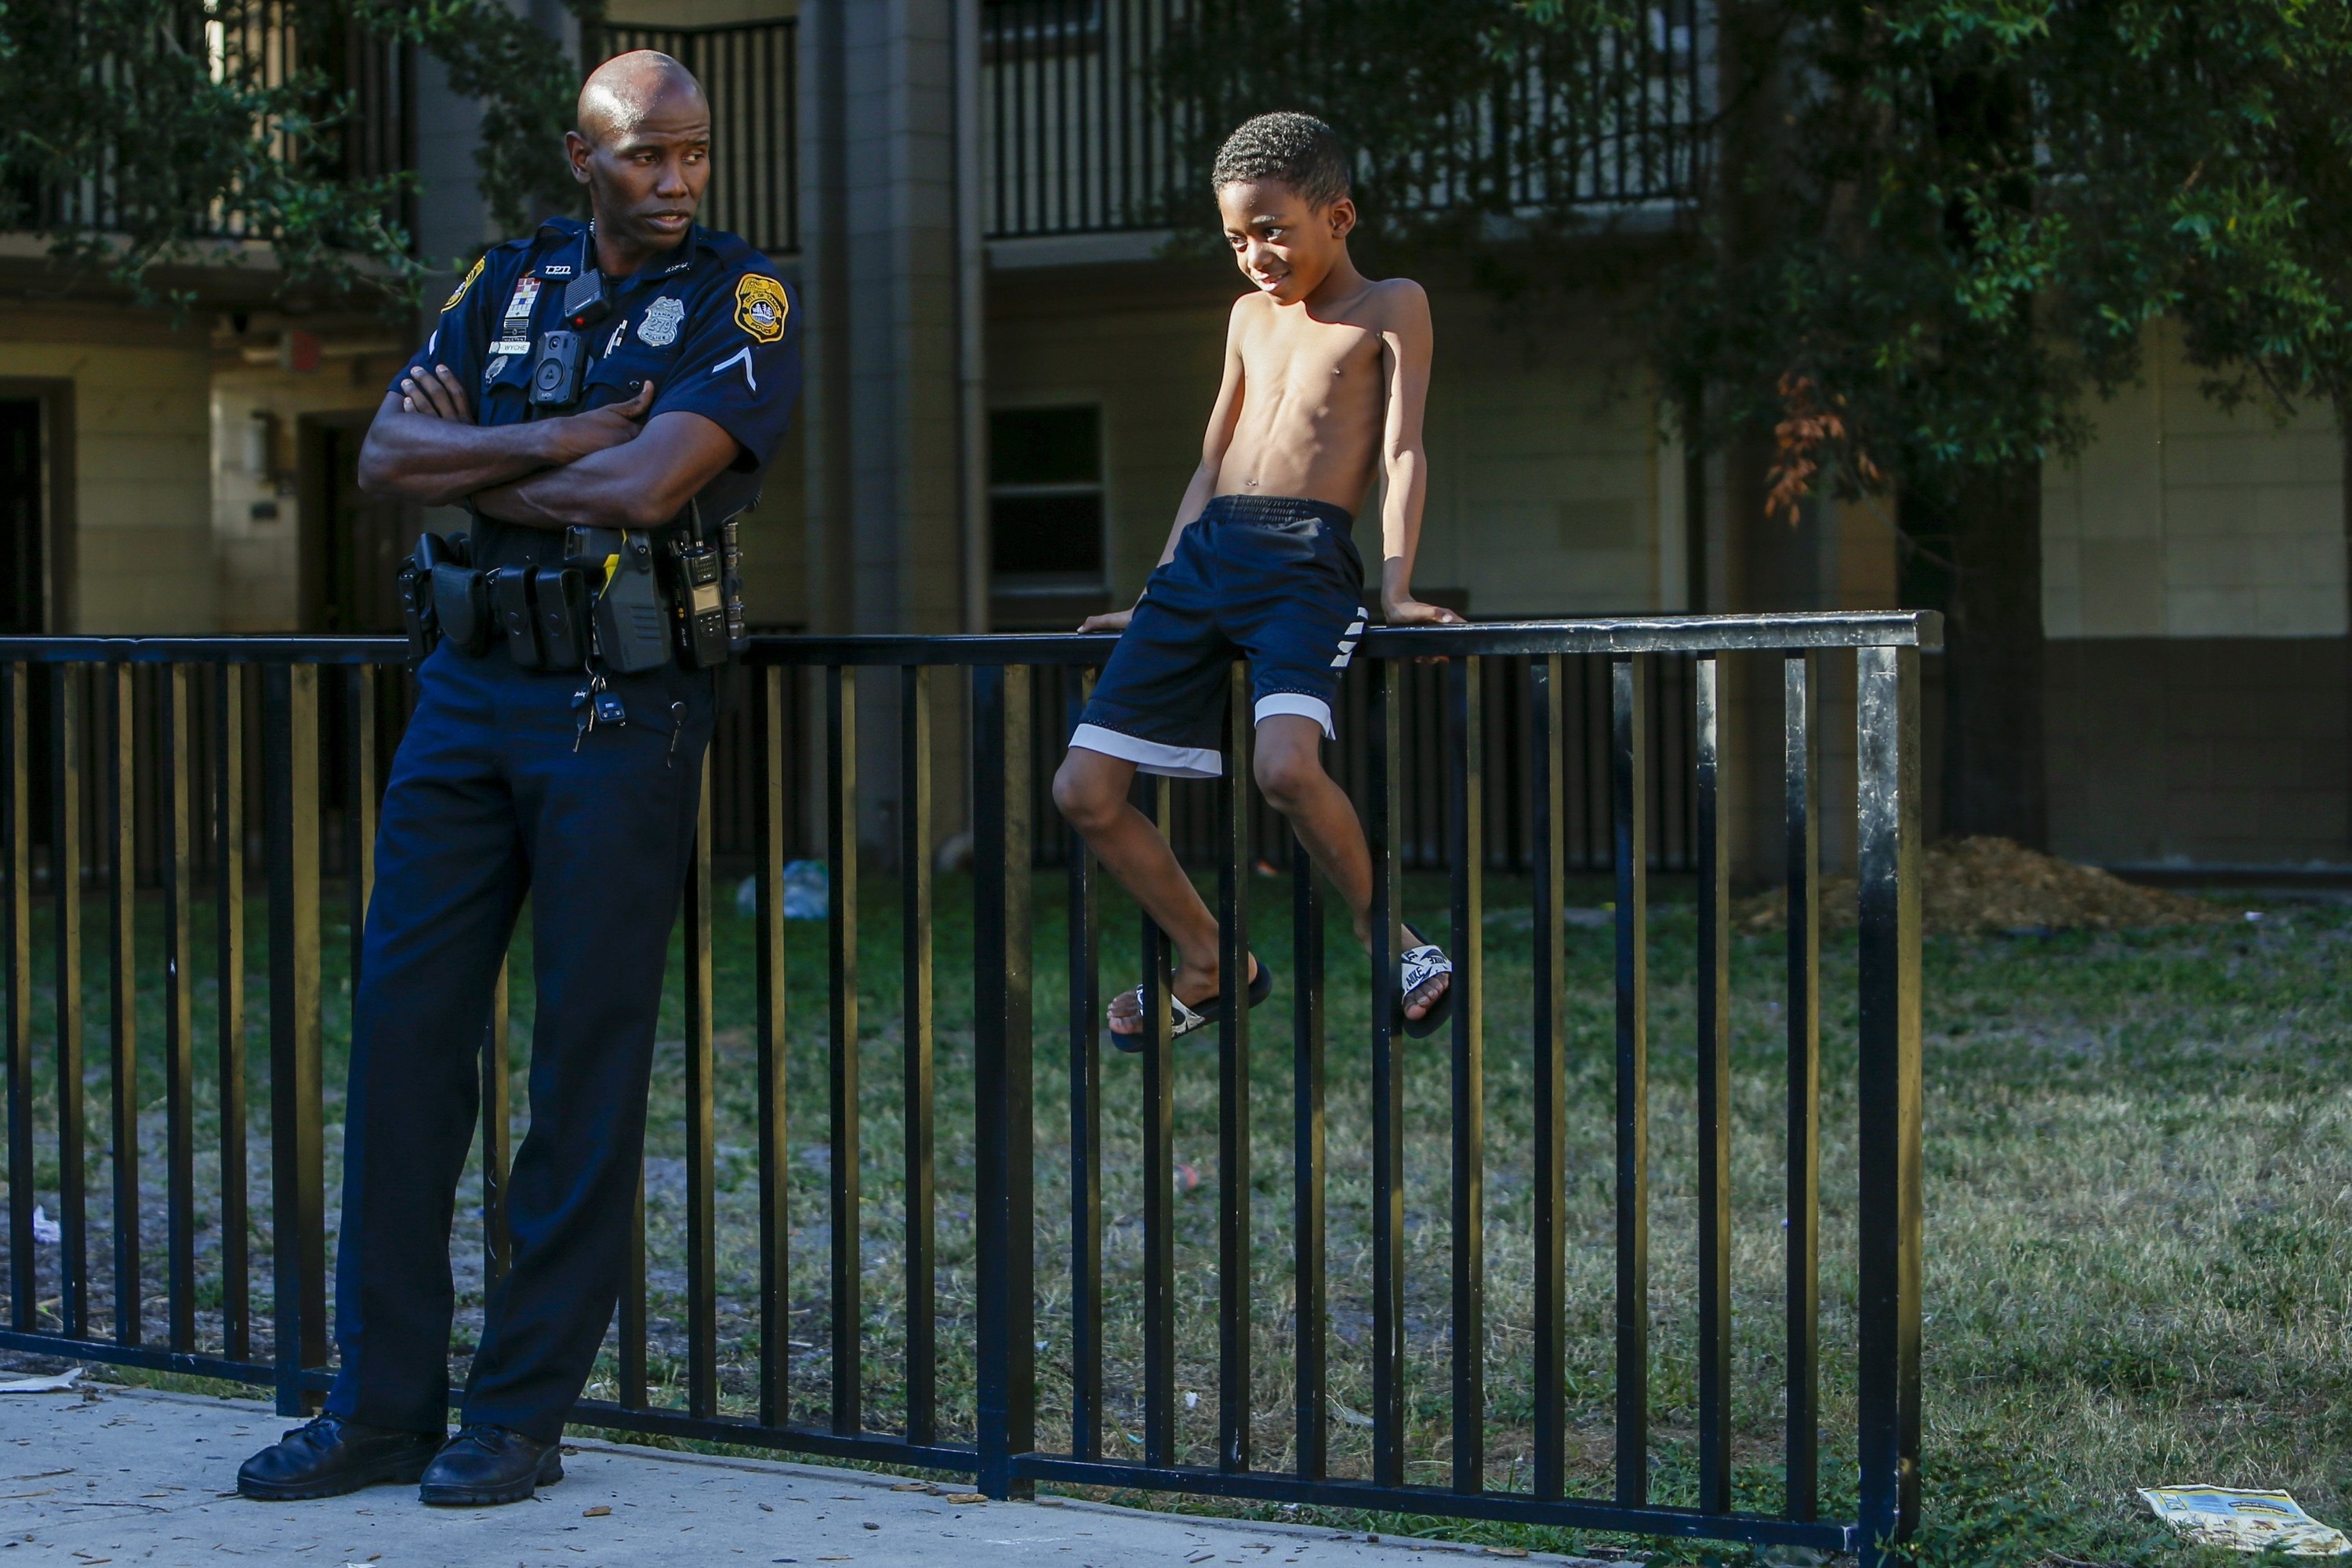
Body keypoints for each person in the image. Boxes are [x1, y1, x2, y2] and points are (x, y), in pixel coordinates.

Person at [235, 52, 801, 1508]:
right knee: (404, 1045)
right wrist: (551, 438)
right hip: (464, 698)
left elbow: (645, 489)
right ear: (580, 156)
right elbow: (382, 453)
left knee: (579, 1069)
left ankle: (519, 1414)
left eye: (695, 155)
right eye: (645, 158)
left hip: (620, 711)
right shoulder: (509, 283)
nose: (677, 183)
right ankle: (379, 1410)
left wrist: (472, 465)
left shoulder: (745, 301)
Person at [1051, 111, 1458, 1047]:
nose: (1254, 255)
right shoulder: (1245, 318)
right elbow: (1209, 465)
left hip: (1304, 563)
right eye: (1237, 237)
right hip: (1204, 562)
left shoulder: (1391, 304)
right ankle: (1208, 958)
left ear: (1339, 216)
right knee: (1083, 789)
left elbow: (1402, 451)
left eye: (1272, 230)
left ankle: (1385, 930)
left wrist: (1396, 588)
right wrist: (1152, 590)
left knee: (1284, 767)